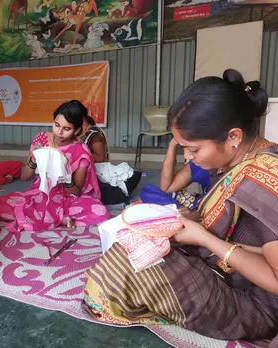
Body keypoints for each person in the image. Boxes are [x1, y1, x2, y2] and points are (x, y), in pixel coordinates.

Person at [83, 69, 278, 344]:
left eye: (194, 149)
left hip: (253, 302)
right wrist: (191, 218)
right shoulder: (236, 158)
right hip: (225, 267)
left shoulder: (266, 178)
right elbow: (226, 216)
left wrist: (203, 237)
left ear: (233, 136)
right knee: (136, 244)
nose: (188, 157)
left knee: (134, 264)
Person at [0, 100, 110, 232]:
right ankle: (60, 218)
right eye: (56, 125)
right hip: (39, 194)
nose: (59, 132)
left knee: (101, 211)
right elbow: (25, 176)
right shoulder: (41, 139)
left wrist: (66, 176)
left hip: (67, 199)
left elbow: (76, 192)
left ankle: (49, 216)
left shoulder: (81, 151)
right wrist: (34, 159)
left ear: (77, 130)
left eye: (67, 128)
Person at [79, 101, 142, 205]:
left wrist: (79, 154)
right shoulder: (78, 132)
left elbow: (100, 158)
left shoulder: (93, 134)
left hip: (97, 173)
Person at [140, 137, 211, 211]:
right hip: (197, 205)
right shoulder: (198, 165)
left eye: (194, 149)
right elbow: (167, 187)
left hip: (208, 210)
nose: (186, 156)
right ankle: (178, 211)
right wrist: (173, 144)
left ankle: (177, 211)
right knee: (148, 192)